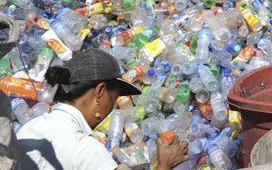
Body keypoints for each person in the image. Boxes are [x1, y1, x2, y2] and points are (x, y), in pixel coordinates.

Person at [17, 48, 188, 170]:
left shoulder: (27, 129)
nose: (112, 108)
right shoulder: (84, 148)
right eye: (114, 98)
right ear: (100, 92)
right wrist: (165, 164)